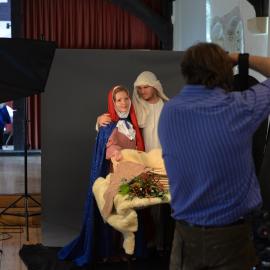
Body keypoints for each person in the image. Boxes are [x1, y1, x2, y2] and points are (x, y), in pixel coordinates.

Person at [158, 42, 270, 270]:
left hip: (184, 237)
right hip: (232, 240)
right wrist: (239, 58)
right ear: (224, 70)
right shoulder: (240, 108)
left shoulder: (169, 111)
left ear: (186, 70)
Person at [58, 85, 144, 266]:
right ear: (113, 103)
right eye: (118, 100)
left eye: (126, 99)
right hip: (114, 175)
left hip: (132, 174)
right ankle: (109, 250)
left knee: (129, 213)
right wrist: (115, 152)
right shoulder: (107, 124)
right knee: (113, 213)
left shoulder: (133, 122)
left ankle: (126, 250)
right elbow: (108, 149)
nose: (123, 103)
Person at [98, 71, 169, 152]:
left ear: (155, 86)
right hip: (143, 154)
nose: (142, 91)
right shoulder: (134, 107)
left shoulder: (166, 106)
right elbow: (118, 116)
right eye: (139, 88)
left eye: (146, 87)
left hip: (163, 152)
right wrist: (99, 119)